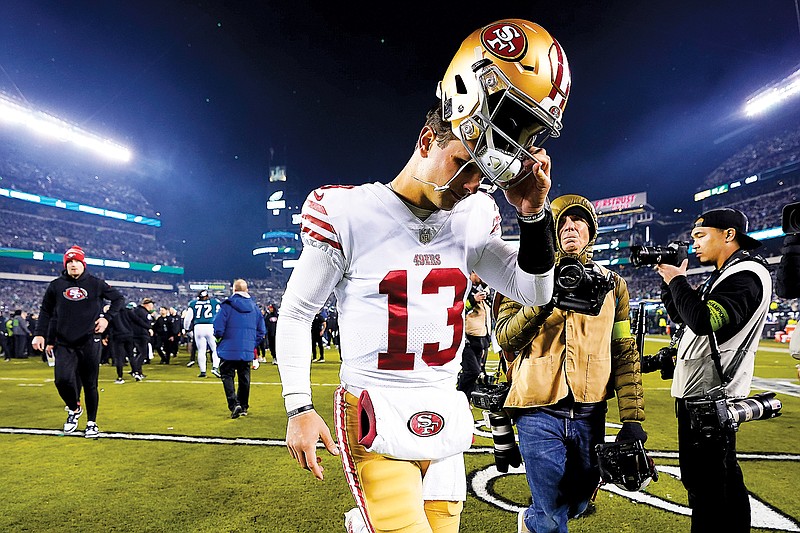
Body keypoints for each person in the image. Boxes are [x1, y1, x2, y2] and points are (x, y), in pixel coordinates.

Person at [277, 18, 568, 533]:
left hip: (443, 411)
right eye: (463, 160)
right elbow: (298, 312)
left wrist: (533, 215)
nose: (471, 183)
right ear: (427, 138)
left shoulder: (476, 215)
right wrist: (298, 405)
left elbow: (536, 290)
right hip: (374, 409)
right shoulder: (348, 211)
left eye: (484, 172)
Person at [495, 194, 646, 533]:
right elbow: (505, 337)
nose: (570, 227)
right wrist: (543, 299)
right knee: (551, 514)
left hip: (590, 411)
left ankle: (534, 518)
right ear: (549, 231)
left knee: (578, 501)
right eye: (561, 222)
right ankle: (539, 520)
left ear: (591, 231)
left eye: (578, 221)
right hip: (537, 410)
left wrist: (632, 418)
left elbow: (624, 351)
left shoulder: (614, 286)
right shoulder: (523, 276)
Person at [655, 207, 772, 533]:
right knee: (714, 482)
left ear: (728, 235)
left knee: (710, 490)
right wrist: (669, 284)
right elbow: (685, 320)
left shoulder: (746, 275)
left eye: (700, 235)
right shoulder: (728, 273)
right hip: (700, 396)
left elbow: (704, 321)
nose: (694, 243)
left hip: (712, 398)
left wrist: (678, 279)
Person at [32, 245, 124, 438]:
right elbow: (46, 311)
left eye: (77, 261)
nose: (73, 265)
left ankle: (92, 422)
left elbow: (118, 299)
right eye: (70, 262)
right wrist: (40, 334)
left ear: (83, 263)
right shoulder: (56, 285)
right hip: (64, 342)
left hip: (91, 340)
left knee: (90, 384)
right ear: (66, 264)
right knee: (62, 380)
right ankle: (74, 409)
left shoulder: (96, 283)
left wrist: (107, 318)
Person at [213, 279, 266, 418]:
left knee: (227, 375)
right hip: (246, 350)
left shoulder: (227, 305)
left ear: (234, 290)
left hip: (228, 349)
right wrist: (251, 344)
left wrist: (220, 340)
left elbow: (218, 328)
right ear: (247, 290)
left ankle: (234, 404)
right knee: (244, 378)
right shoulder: (255, 307)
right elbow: (261, 331)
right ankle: (243, 406)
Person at [456, 272, 492, 399]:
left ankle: (466, 400)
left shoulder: (482, 288)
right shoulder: (464, 288)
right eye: (480, 274)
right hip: (467, 338)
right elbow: (458, 310)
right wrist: (473, 300)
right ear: (472, 273)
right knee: (472, 371)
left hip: (481, 337)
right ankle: (459, 397)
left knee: (476, 373)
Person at [184, 289, 221, 378]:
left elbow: (188, 319)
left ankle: (203, 371)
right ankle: (215, 367)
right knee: (215, 349)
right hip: (210, 326)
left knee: (201, 350)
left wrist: (186, 329)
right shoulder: (214, 302)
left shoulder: (193, 304)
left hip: (198, 327)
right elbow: (220, 314)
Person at [129, 298, 154, 381]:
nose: (152, 306)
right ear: (147, 304)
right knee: (143, 353)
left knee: (140, 353)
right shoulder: (142, 312)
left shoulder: (137, 311)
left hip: (137, 334)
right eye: (151, 304)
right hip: (141, 335)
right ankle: (136, 371)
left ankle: (137, 371)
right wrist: (149, 328)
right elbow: (141, 322)